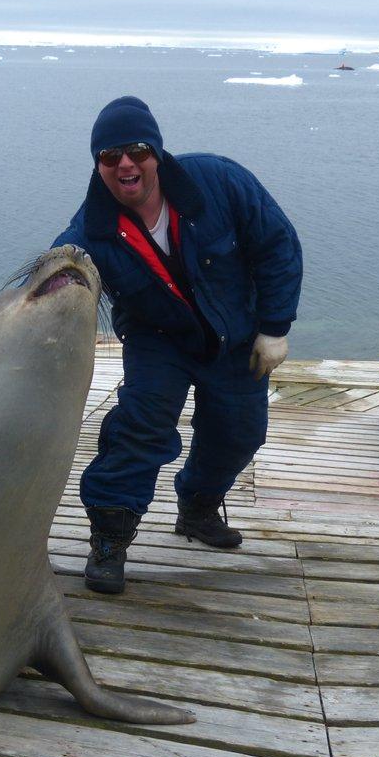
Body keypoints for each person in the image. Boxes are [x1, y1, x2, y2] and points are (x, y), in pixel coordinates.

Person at [53, 96, 302, 595]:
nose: (125, 163)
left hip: (236, 335)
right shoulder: (90, 233)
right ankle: (109, 540)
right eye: (109, 156)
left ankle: (197, 506)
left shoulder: (218, 180)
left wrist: (275, 327)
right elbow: (56, 284)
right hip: (157, 339)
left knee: (240, 431)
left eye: (138, 150)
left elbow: (277, 244)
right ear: (98, 165)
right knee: (139, 428)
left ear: (158, 153)